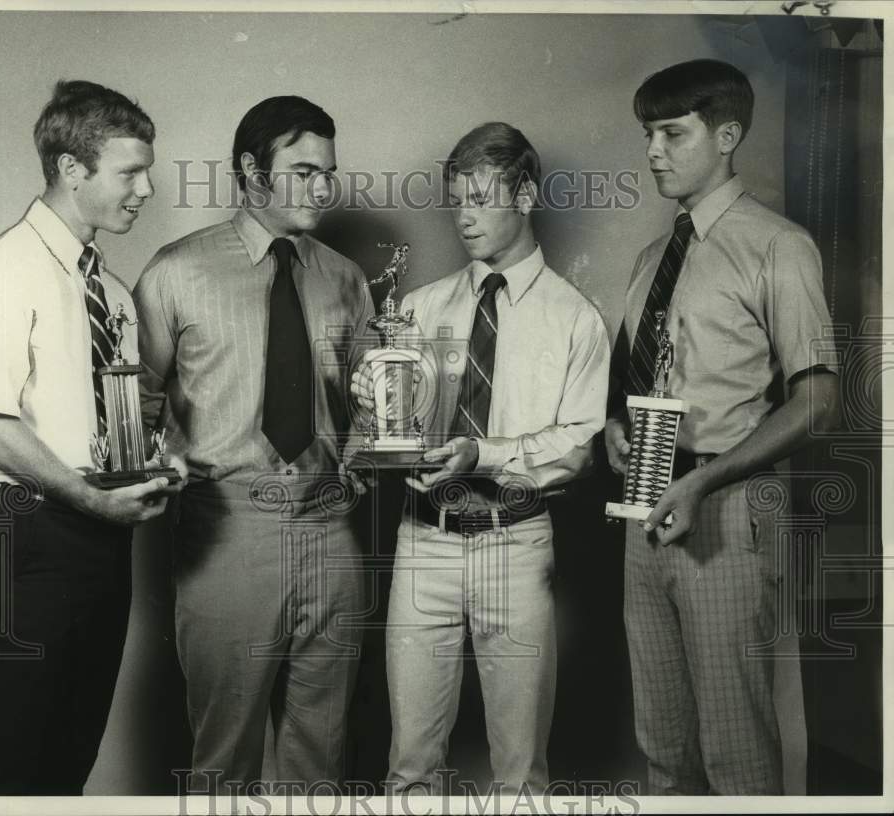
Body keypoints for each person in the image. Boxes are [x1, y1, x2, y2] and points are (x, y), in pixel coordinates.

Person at [605, 59, 841, 795]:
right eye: (648, 134)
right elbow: (654, 373)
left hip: (729, 508)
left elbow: (818, 400)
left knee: (735, 746)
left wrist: (706, 477)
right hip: (646, 508)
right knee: (663, 743)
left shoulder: (779, 245)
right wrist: (617, 430)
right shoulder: (653, 257)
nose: (653, 151)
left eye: (673, 133)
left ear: (728, 134)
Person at [353, 122, 610, 792]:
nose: (462, 214)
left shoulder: (574, 318)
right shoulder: (417, 307)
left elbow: (579, 448)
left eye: (481, 197)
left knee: (521, 770)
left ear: (525, 196)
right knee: (409, 764)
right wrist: (368, 402)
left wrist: (483, 455)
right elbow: (389, 434)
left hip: (515, 542)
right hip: (424, 542)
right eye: (454, 198)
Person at [134, 95, 372, 791]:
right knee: (223, 757)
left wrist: (358, 461)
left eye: (328, 172)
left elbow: (372, 408)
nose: (322, 189)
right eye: (302, 171)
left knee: (323, 755)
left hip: (332, 532)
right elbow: (134, 410)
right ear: (251, 170)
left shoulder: (346, 280)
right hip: (226, 531)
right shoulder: (176, 273)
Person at [0, 80, 181, 794]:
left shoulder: (110, 290)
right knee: (14, 758)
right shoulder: (2, 271)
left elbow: (115, 417)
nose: (145, 188)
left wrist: (158, 457)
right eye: (129, 172)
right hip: (38, 534)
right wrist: (88, 497)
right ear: (71, 169)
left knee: (69, 756)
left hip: (104, 536)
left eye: (147, 170)